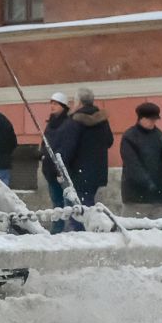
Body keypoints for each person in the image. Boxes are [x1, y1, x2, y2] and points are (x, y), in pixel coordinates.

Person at [51, 87, 114, 229]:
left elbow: (67, 149)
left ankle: (82, 240)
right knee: (88, 207)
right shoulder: (102, 121)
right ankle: (89, 235)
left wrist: (60, 170)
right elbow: (109, 141)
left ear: (79, 103)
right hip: (96, 172)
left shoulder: (74, 121)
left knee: (77, 213)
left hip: (77, 173)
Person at [119, 101, 162, 218]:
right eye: (150, 120)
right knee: (135, 232)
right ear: (141, 118)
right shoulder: (130, 137)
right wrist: (147, 183)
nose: (153, 123)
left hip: (160, 198)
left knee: (161, 233)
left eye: (155, 120)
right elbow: (133, 165)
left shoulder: (160, 136)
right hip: (137, 198)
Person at [38, 92, 72, 230]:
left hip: (62, 169)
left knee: (67, 202)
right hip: (49, 169)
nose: (52, 106)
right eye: (51, 103)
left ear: (63, 106)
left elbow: (67, 146)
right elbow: (45, 142)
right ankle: (57, 228)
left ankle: (67, 228)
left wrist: (61, 166)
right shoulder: (51, 123)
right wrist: (41, 154)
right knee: (56, 202)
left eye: (56, 104)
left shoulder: (68, 124)